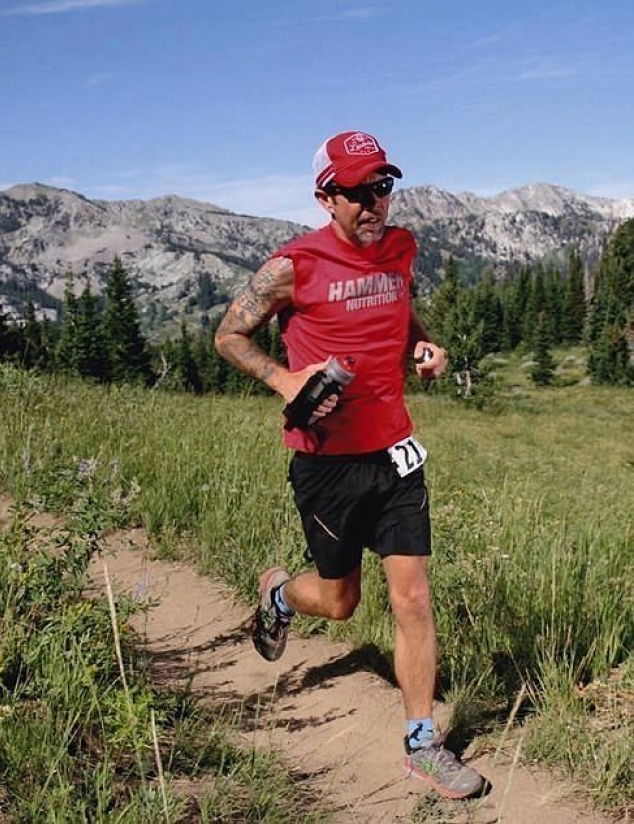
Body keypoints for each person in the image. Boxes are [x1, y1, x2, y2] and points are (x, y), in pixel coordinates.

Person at [214, 131, 485, 800]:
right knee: (341, 602)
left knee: (412, 596)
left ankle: (422, 743)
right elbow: (229, 335)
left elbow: (401, 314)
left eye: (382, 187)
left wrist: (424, 347)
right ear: (325, 197)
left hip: (394, 451)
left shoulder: (401, 248)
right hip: (326, 464)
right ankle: (281, 596)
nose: (374, 203)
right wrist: (284, 381)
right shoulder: (293, 266)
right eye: (357, 191)